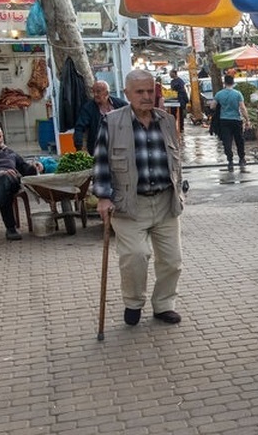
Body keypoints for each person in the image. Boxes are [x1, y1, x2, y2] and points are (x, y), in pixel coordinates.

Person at [92, 69, 185, 327]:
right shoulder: (111, 122)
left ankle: (164, 305)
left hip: (166, 202)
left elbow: (176, 158)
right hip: (130, 204)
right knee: (135, 256)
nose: (146, 97)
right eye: (139, 92)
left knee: (172, 261)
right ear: (127, 94)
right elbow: (100, 161)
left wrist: (180, 187)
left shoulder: (166, 120)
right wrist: (102, 196)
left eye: (150, 91)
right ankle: (133, 302)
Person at [0, 125, 42, 240]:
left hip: (12, 181)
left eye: (0, 136)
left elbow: (25, 169)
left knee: (7, 178)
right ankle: (10, 230)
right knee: (5, 190)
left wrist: (36, 167)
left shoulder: (11, 153)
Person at [73, 81, 128, 154]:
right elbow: (79, 127)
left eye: (98, 92)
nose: (95, 94)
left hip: (120, 145)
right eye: (93, 92)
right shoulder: (88, 108)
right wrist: (79, 146)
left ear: (107, 93)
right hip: (98, 147)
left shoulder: (121, 104)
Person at [213, 74, 250, 172]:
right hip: (236, 120)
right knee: (239, 140)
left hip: (224, 121)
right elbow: (242, 108)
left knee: (227, 141)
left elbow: (212, 106)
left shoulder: (219, 94)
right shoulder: (238, 94)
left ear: (224, 83)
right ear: (233, 83)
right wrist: (247, 120)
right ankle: (241, 159)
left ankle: (230, 160)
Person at [169, 69, 189, 133]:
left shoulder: (179, 81)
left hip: (180, 100)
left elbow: (182, 91)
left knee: (180, 114)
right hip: (174, 100)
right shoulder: (172, 81)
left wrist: (184, 100)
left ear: (174, 73)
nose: (170, 75)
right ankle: (173, 127)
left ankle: (181, 128)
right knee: (173, 114)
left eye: (171, 73)